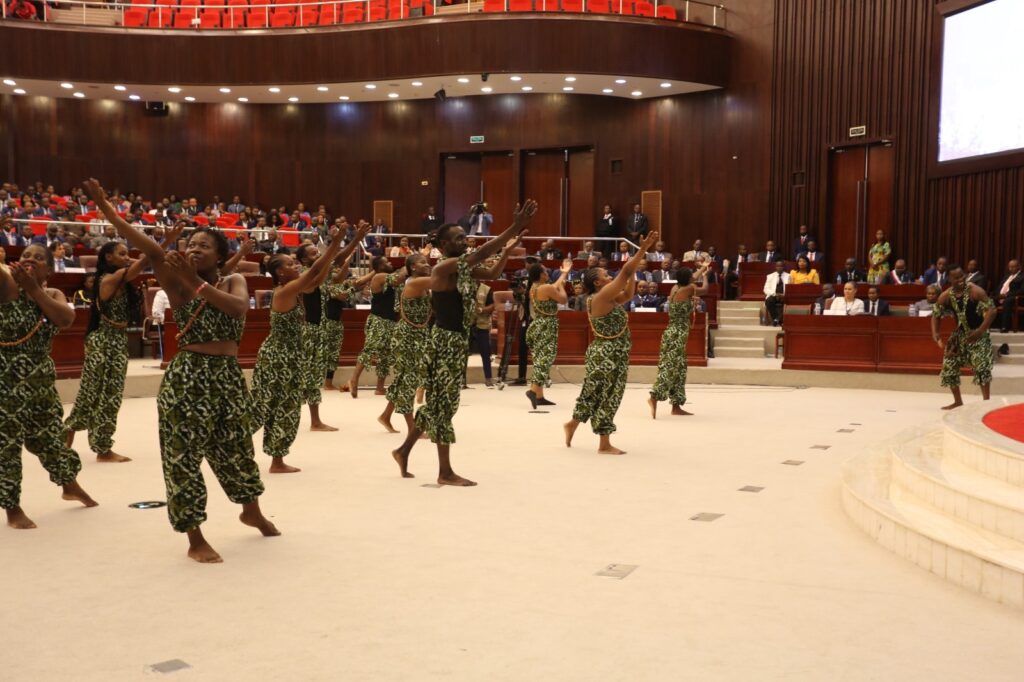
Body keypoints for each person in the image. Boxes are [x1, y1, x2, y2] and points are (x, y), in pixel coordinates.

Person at [85, 177, 278, 563]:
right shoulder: (174, 282)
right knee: (183, 457)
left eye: (203, 246)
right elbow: (144, 244)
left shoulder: (234, 279)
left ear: (220, 256)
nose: (193, 249)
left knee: (237, 448)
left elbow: (238, 309)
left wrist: (195, 282)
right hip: (187, 377)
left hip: (225, 376)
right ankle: (195, 537)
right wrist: (107, 210)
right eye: (190, 244)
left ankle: (250, 508)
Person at [391, 201, 537, 484]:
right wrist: (514, 227)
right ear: (444, 244)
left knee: (438, 404)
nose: (466, 240)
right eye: (459, 237)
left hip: (456, 341)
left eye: (465, 236)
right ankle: (444, 472)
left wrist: (507, 250)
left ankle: (403, 449)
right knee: (445, 405)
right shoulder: (445, 267)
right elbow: (482, 252)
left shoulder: (464, 268)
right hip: (445, 341)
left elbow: (492, 274)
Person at [1, 244, 98, 530]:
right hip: (5, 378)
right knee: (6, 443)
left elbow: (66, 319)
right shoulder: (7, 286)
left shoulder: (52, 294)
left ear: (50, 269)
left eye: (38, 258)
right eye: (26, 256)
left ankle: (69, 484)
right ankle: (12, 507)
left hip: (40, 378)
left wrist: (34, 289)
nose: (30, 260)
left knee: (50, 437)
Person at [251, 227, 354, 475]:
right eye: (289, 264)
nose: (295, 265)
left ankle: (277, 461)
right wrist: (335, 243)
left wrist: (337, 248)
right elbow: (315, 272)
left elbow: (319, 275)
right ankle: (229, 446)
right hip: (278, 358)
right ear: (279, 272)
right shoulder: (285, 291)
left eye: (295, 262)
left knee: (285, 409)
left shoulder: (294, 289)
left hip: (290, 357)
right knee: (263, 407)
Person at [564, 230, 658, 455]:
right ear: (597, 281)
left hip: (609, 353)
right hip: (607, 355)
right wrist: (642, 249)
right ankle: (604, 443)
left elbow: (626, 296)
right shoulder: (601, 296)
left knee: (593, 392)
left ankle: (573, 424)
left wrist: (633, 272)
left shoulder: (605, 297)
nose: (609, 276)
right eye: (606, 275)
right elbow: (625, 271)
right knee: (609, 394)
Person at [64, 241, 151, 463]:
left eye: (127, 253)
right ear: (108, 258)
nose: (126, 256)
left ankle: (102, 448)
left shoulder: (124, 280)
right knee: (91, 391)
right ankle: (69, 429)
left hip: (118, 342)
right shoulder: (107, 279)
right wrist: (162, 244)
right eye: (121, 254)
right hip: (101, 341)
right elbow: (140, 265)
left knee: (111, 397)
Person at [379, 255, 434, 438]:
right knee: (408, 380)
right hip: (407, 336)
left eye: (428, 262)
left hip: (418, 334)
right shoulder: (413, 284)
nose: (427, 264)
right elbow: (440, 280)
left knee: (404, 379)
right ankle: (413, 429)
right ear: (412, 267)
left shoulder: (421, 283)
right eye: (423, 262)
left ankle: (386, 415)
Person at [648, 262, 710, 419]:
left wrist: (703, 267)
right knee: (670, 366)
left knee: (680, 369)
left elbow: (692, 278)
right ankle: (654, 396)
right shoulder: (689, 288)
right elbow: (705, 289)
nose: (692, 277)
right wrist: (705, 276)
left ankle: (676, 405)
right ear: (687, 279)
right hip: (677, 334)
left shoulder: (675, 288)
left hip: (671, 332)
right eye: (690, 276)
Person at [932, 265, 996, 410]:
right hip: (959, 335)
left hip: (978, 333)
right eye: (956, 277)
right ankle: (958, 401)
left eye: (962, 276)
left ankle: (986, 403)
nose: (961, 279)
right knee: (949, 365)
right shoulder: (946, 295)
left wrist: (980, 331)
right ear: (949, 279)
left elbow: (992, 311)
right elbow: (936, 314)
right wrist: (935, 333)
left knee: (982, 367)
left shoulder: (975, 291)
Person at [294, 243, 342, 430]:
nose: (319, 255)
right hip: (308, 331)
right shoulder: (305, 275)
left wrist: (355, 239)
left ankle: (315, 421)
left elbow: (337, 258)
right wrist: (336, 241)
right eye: (314, 253)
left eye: (318, 252)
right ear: (305, 260)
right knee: (304, 377)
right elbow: (331, 260)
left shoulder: (319, 272)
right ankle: (294, 417)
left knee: (313, 377)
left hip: (318, 330)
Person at [348, 255, 409, 398]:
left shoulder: (389, 276)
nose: (390, 263)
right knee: (370, 350)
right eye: (386, 262)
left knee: (385, 356)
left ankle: (380, 388)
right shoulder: (380, 277)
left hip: (391, 321)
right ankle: (354, 379)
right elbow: (399, 278)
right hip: (379, 320)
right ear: (380, 267)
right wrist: (408, 265)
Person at [525, 258, 572, 409]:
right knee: (545, 359)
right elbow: (563, 300)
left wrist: (564, 274)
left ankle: (539, 396)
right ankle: (533, 391)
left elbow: (552, 287)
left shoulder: (535, 287)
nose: (548, 272)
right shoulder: (546, 288)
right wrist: (563, 287)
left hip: (537, 325)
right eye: (545, 271)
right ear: (541, 275)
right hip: (547, 326)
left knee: (540, 358)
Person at [996, 259, 1023, 332]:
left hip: (1014, 298)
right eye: (1009, 267)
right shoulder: (1006, 277)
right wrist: (998, 294)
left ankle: (1005, 326)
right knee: (987, 300)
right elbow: (999, 287)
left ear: (1019, 267)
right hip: (1001, 297)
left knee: (1007, 301)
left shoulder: (1022, 277)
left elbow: (1022, 290)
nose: (1010, 269)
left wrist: (1007, 294)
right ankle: (981, 326)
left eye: (1013, 267)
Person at [763, 260, 789, 326]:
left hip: (784, 295)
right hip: (774, 295)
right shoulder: (770, 276)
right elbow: (765, 289)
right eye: (778, 266)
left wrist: (784, 295)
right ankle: (777, 319)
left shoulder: (789, 276)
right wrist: (775, 294)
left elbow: (791, 288)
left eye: (781, 266)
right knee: (768, 301)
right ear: (775, 267)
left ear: (784, 267)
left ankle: (776, 320)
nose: (779, 267)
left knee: (788, 303)